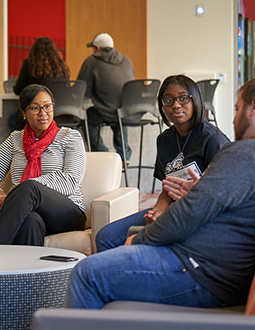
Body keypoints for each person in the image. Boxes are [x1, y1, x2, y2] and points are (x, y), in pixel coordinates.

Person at [67, 74, 255, 310]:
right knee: (108, 245)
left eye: (238, 109)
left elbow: (188, 214)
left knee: (86, 273)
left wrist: (139, 240)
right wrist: (201, 191)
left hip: (200, 270)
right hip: (221, 269)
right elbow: (245, 202)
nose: (233, 118)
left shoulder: (246, 153)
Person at [94, 75, 230, 252]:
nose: (176, 105)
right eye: (169, 100)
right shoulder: (164, 140)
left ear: (195, 100)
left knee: (149, 243)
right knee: (106, 237)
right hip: (172, 210)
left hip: (201, 215)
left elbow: (226, 192)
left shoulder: (212, 139)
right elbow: (168, 187)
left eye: (183, 98)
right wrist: (157, 210)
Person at [0, 84, 86, 245]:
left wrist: (24, 190)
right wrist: (2, 196)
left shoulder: (70, 137)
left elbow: (70, 181)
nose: (43, 113)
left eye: (47, 106)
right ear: (24, 113)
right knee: (30, 221)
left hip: (68, 212)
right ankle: (31, 269)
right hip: (27, 210)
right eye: (35, 108)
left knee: (29, 188)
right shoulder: (15, 140)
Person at [76, 32, 134, 161]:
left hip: (105, 111)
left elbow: (83, 91)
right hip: (126, 112)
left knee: (86, 118)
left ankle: (103, 154)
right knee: (118, 114)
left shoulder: (91, 62)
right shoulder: (127, 60)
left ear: (97, 48)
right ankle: (124, 155)